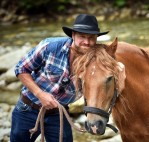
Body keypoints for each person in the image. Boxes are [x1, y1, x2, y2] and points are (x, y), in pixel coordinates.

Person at [10, 14, 109, 142]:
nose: (87, 42)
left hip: (59, 115)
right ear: (73, 35)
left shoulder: (99, 58)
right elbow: (21, 69)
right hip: (27, 109)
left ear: (96, 38)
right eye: (82, 36)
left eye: (91, 38)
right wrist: (40, 94)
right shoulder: (50, 46)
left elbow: (115, 67)